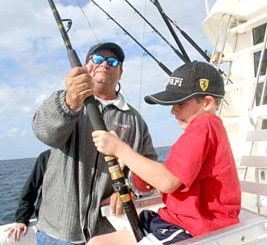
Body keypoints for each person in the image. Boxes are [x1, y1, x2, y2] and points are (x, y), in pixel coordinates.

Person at [90, 61, 241, 245]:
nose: (172, 110)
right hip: (173, 221)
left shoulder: (205, 125)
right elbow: (165, 181)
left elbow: (167, 182)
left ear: (207, 103)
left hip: (197, 230)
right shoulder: (203, 131)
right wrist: (134, 172)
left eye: (180, 104)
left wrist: (120, 149)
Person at [31, 42, 157, 244]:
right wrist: (71, 100)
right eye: (97, 59)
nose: (104, 64)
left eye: (112, 61)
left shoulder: (134, 119)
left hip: (106, 233)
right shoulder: (65, 101)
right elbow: (45, 133)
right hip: (55, 232)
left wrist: (129, 188)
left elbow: (147, 166)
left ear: (120, 72)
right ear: (86, 66)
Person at [5, 149, 50, 242]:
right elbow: (30, 190)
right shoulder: (46, 157)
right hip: (47, 230)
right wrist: (22, 219)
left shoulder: (87, 158)